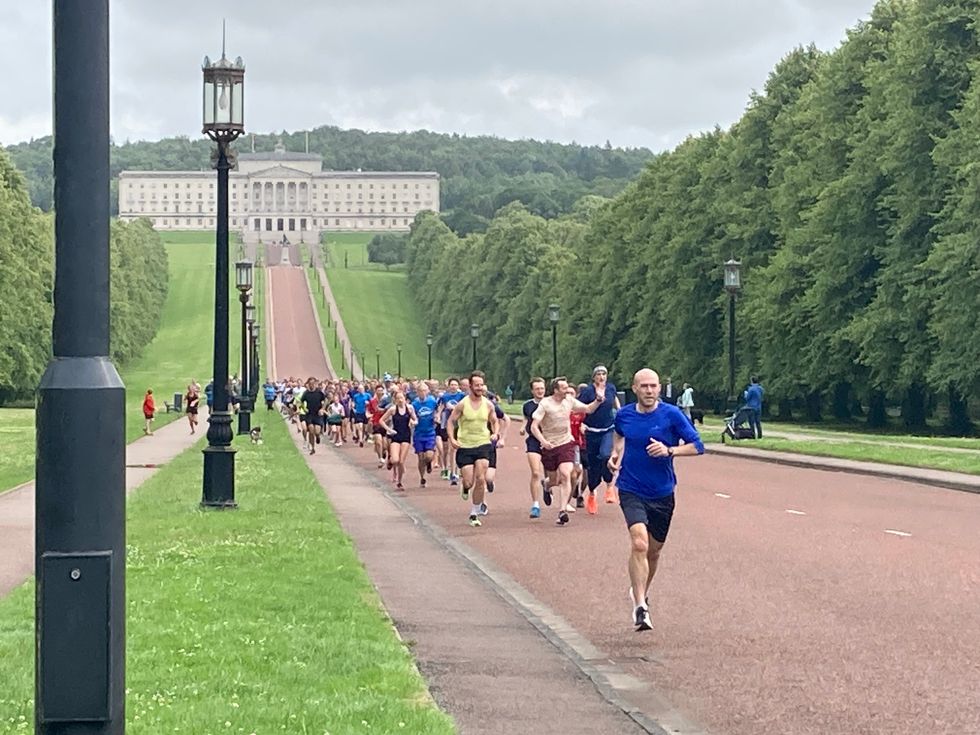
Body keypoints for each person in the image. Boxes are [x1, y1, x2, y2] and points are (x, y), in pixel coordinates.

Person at [608, 368, 704, 632]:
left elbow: (698, 445)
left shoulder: (671, 415)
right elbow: (619, 434)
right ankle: (640, 607)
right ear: (635, 388)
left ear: (659, 389)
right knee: (639, 543)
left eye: (653, 386)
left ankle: (640, 591)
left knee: (653, 551)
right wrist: (616, 454)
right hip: (630, 488)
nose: (649, 391)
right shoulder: (625, 414)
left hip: (662, 492)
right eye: (644, 386)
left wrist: (669, 450)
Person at [530, 377, 604, 526]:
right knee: (554, 480)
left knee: (566, 474)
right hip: (550, 445)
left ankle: (562, 511)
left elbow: (588, 409)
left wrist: (598, 400)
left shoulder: (569, 400)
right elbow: (533, 426)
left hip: (566, 442)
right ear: (556, 390)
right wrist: (543, 441)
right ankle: (546, 485)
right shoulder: (545, 404)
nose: (567, 390)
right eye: (563, 388)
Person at [447, 371, 499, 528]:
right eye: (476, 385)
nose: (480, 388)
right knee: (469, 482)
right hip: (465, 446)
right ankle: (465, 486)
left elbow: (494, 421)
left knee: (481, 479)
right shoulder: (462, 404)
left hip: (483, 444)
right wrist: (452, 439)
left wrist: (495, 433)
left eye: (481, 385)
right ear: (470, 386)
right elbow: (451, 422)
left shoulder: (488, 404)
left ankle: (474, 512)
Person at [577, 365, 621, 511]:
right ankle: (591, 494)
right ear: (594, 376)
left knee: (605, 455)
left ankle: (609, 485)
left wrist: (620, 413)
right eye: (599, 374)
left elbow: (615, 401)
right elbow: (580, 408)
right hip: (591, 431)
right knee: (593, 466)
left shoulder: (610, 388)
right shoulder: (587, 391)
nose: (602, 376)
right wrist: (581, 423)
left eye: (604, 374)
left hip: (607, 429)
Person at [519, 377, 547, 519]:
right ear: (532, 391)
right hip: (533, 441)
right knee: (536, 473)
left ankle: (547, 486)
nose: (540, 391)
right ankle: (535, 504)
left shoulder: (550, 403)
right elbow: (526, 418)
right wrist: (523, 427)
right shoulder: (528, 405)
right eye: (537, 389)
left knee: (552, 475)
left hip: (549, 441)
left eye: (542, 388)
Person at [381, 390, 416, 490]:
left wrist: (414, 422)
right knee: (395, 459)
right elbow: (381, 420)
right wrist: (389, 430)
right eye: (398, 398)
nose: (400, 400)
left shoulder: (409, 408)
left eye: (402, 398)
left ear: (405, 399)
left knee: (401, 461)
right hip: (395, 436)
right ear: (395, 400)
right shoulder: (392, 409)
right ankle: (391, 460)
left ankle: (400, 482)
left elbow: (415, 419)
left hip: (406, 436)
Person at [411, 382, 439, 487]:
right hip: (418, 433)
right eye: (420, 391)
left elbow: (437, 410)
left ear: (427, 391)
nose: (422, 393)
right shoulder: (414, 404)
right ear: (417, 392)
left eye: (424, 390)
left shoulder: (432, 401)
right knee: (420, 457)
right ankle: (422, 478)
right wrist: (413, 421)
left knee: (428, 456)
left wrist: (437, 416)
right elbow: (412, 415)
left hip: (430, 432)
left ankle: (429, 463)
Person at [301, 377, 326, 455]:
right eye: (310, 384)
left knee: (317, 431)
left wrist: (322, 409)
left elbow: (326, 400)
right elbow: (301, 402)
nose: (311, 385)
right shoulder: (306, 393)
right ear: (308, 384)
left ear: (315, 384)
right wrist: (304, 408)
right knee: (311, 431)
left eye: (313, 384)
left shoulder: (319, 392)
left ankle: (318, 436)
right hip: (309, 415)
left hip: (317, 414)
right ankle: (312, 448)